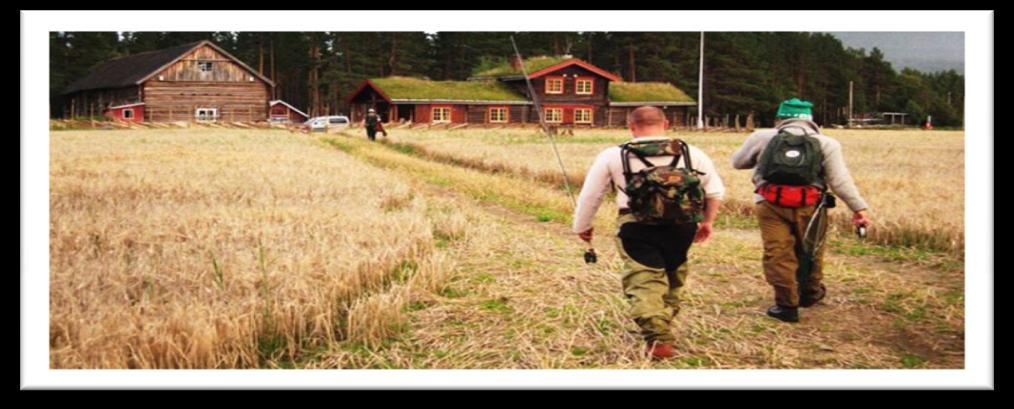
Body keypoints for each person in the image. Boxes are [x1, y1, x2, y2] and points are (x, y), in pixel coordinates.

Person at [572, 106, 725, 359]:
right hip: (682, 226)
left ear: (631, 126)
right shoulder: (691, 153)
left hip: (635, 226)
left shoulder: (614, 155)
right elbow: (715, 191)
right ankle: (663, 323)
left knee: (644, 281)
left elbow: (591, 195)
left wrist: (582, 226)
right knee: (674, 275)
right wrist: (707, 222)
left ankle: (658, 338)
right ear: (666, 124)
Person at [731, 98, 871, 323]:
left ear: (780, 118)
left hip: (770, 204)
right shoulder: (827, 143)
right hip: (811, 205)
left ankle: (786, 305)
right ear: (811, 119)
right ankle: (810, 294)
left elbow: (737, 163)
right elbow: (839, 181)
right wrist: (859, 208)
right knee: (810, 250)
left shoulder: (762, 137)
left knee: (778, 252)